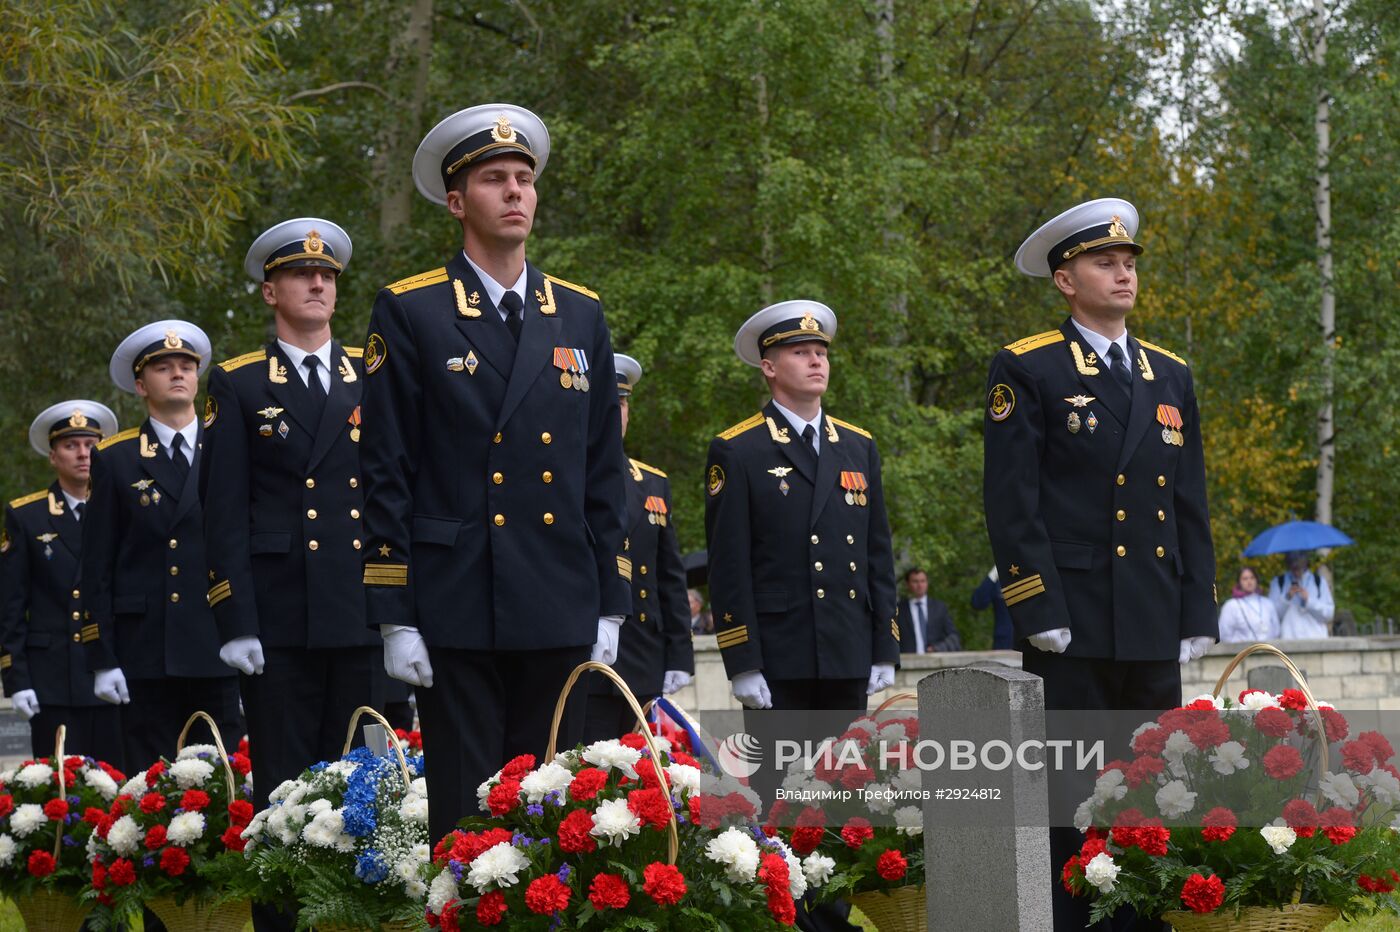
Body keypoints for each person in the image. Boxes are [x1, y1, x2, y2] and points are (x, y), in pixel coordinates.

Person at [360, 104, 630, 847]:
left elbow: (604, 469)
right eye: (493, 180)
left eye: (524, 179)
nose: (514, 192)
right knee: (469, 814)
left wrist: (612, 600)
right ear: (457, 202)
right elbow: (385, 469)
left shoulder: (579, 315)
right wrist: (396, 611)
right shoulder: (411, 311)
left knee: (556, 812)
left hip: (559, 593)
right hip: (458, 598)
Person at [984, 198, 1217, 930]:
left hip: (1150, 614)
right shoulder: (1031, 368)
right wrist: (1034, 605)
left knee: (1151, 791)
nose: (1122, 275)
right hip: (1072, 619)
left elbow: (1189, 502)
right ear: (1065, 280)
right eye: (1103, 263)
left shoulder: (1169, 375)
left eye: (1128, 264)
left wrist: (1196, 608)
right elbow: (1011, 501)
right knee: (1074, 795)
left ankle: (1144, 921)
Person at [200, 218, 383, 828]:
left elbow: (394, 494)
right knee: (285, 796)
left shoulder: (372, 376)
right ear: (270, 291)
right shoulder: (240, 381)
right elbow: (221, 511)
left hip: (361, 612)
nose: (316, 283)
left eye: (326, 274)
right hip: (280, 619)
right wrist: (235, 620)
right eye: (300, 274)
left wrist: (403, 608)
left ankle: (359, 926)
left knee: (368, 790)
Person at [81, 321, 241, 772]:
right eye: (163, 367)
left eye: (187, 366)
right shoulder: (115, 457)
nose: (177, 374)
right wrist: (101, 657)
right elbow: (96, 564)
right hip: (147, 651)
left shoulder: (227, 444)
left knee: (226, 781)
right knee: (151, 789)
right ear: (140, 384)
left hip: (217, 640)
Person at [0, 401, 124, 763]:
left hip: (116, 672)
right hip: (53, 679)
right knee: (62, 793)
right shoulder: (27, 515)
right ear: (53, 456)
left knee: (120, 791)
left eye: (91, 445)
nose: (83, 455)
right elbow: (10, 607)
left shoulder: (124, 506)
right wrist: (16, 679)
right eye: (71, 446)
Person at [581, 354, 694, 742]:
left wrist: (680, 654)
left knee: (645, 782)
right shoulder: (561, 478)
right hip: (582, 659)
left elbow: (670, 578)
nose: (617, 412)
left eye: (623, 403)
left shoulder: (652, 483)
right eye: (607, 402)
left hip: (644, 659)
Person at [1269, 550, 1334, 639]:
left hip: (1316, 639)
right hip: (1288, 640)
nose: (1296, 562)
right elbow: (1272, 615)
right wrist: (1287, 598)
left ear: (1306, 560)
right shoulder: (1279, 582)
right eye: (1292, 558)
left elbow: (1328, 614)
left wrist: (1309, 601)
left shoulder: (1319, 582)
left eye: (1299, 557)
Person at [896, 567, 961, 653]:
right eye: (915, 581)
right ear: (907, 584)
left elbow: (954, 636)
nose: (920, 585)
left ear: (927, 583)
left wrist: (937, 648)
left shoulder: (939, 608)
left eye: (923, 581)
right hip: (907, 661)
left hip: (935, 660)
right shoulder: (899, 609)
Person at [1218, 566, 1280, 643]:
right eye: (1245, 579)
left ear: (1257, 580)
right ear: (1239, 582)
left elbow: (1276, 630)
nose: (1249, 581)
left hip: (1268, 650)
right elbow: (1224, 634)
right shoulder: (1231, 605)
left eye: (1252, 578)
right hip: (1243, 652)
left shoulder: (1268, 603)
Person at [971, 566, 1015, 650]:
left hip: (1032, 643)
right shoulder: (1000, 577)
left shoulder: (1032, 571)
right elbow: (977, 603)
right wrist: (994, 573)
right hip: (1003, 645)